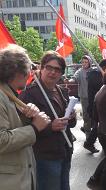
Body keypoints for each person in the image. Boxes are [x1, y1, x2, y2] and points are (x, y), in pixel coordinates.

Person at [19, 51, 77, 190]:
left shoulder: (62, 91)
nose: (52, 72)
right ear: (41, 68)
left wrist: (71, 117)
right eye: (49, 68)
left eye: (57, 69)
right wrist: (51, 126)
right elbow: (23, 126)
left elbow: (69, 124)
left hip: (64, 150)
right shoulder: (29, 94)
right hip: (45, 155)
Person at [0, 44, 50, 190]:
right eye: (29, 70)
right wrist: (34, 128)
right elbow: (2, 140)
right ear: (18, 72)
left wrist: (27, 117)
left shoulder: (8, 94)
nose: (30, 74)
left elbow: (11, 127)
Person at [83, 59, 106, 153]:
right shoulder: (94, 75)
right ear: (104, 67)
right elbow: (100, 86)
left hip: (98, 105)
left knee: (97, 126)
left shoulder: (99, 74)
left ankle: (90, 143)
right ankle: (89, 143)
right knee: (97, 126)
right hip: (95, 105)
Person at [69, 55, 91, 136]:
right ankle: (88, 134)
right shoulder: (80, 71)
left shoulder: (93, 70)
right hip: (84, 97)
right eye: (83, 62)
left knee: (93, 115)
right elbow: (74, 78)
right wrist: (70, 80)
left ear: (89, 63)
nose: (84, 64)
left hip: (93, 97)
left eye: (86, 62)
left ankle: (85, 127)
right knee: (86, 115)